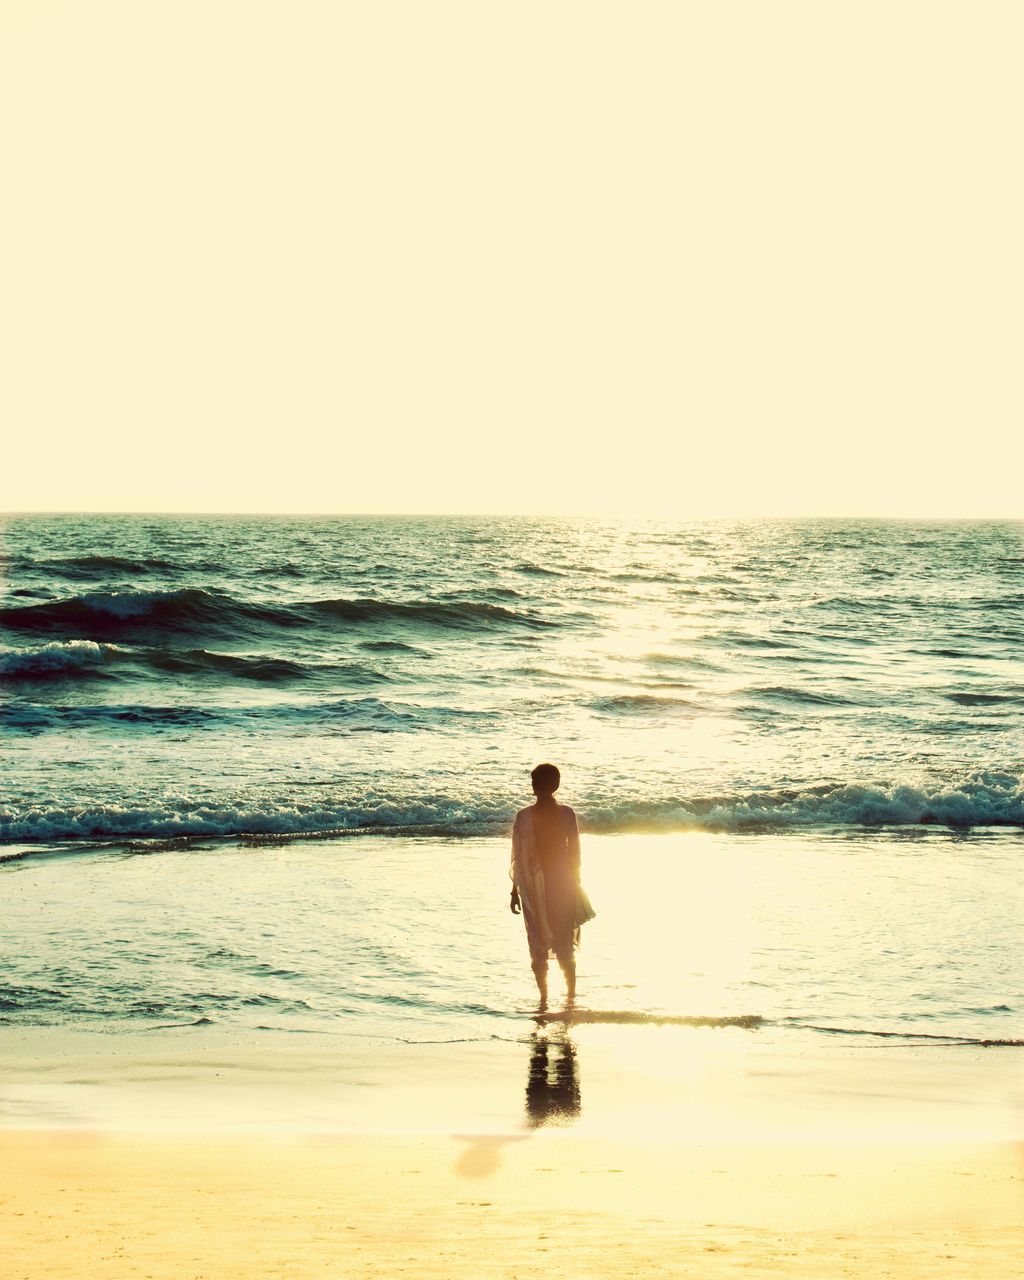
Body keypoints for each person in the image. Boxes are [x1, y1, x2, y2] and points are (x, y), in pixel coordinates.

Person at [509, 763, 582, 1009]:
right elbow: (575, 855)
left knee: (538, 940)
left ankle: (545, 999)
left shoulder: (525, 816)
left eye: (534, 780)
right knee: (562, 940)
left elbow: (518, 859)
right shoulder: (566, 814)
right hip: (560, 882)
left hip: (536, 885)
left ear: (538, 785)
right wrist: (576, 885)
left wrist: (514, 891)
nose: (532, 784)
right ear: (556, 785)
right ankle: (567, 997)